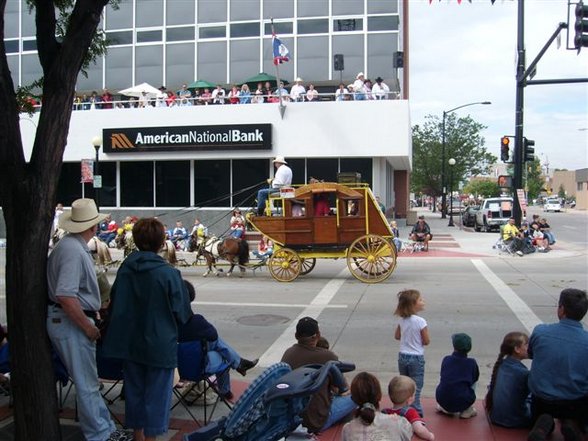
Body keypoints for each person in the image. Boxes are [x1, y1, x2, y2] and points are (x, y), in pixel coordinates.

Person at [102, 217, 193, 441]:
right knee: (156, 397)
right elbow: (182, 313)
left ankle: (138, 437)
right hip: (159, 346)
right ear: (162, 242)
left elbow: (114, 304)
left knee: (134, 394)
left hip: (130, 344)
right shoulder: (169, 274)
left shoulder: (125, 270)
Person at [47, 198, 130, 441]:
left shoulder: (71, 246)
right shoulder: (73, 251)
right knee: (86, 384)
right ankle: (100, 435)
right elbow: (65, 294)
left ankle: (106, 430)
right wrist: (86, 326)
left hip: (70, 319)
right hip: (71, 321)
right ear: (93, 227)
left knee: (89, 383)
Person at [178, 280, 258, 400]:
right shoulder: (197, 321)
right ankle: (227, 387)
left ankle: (239, 363)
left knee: (216, 348)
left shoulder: (167, 324)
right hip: (199, 369)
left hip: (177, 369)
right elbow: (213, 336)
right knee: (225, 357)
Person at [526, 288, 588, 441]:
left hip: (542, 399)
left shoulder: (540, 331)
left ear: (561, 309)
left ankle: (544, 425)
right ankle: (571, 422)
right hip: (574, 401)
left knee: (539, 402)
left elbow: (531, 354)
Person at [281, 317, 356, 433]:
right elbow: (340, 388)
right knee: (358, 394)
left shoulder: (287, 354)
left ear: (296, 335)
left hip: (291, 420)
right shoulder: (328, 357)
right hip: (316, 422)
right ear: (318, 335)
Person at [342, 372, 413, 441]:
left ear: (354, 399)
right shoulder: (399, 423)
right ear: (379, 395)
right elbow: (409, 434)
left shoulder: (347, 429)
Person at [394, 289, 430, 416]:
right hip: (416, 358)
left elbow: (397, 336)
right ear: (413, 304)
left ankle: (403, 409)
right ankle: (416, 413)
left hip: (402, 356)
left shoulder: (401, 320)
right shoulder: (421, 321)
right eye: (420, 300)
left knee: (404, 385)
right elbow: (426, 341)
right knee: (416, 386)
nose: (423, 301)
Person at [485, 332, 532, 428]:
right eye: (526, 345)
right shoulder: (523, 372)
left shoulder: (501, 365)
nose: (529, 347)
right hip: (516, 420)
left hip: (495, 418)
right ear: (517, 349)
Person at [435, 333, 479, 419]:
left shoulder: (446, 359)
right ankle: (467, 409)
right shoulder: (472, 363)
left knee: (444, 380)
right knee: (472, 381)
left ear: (454, 346)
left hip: (442, 399)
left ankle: (445, 408)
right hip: (463, 400)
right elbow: (475, 378)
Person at [383, 375, 435, 440]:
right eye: (413, 395)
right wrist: (430, 436)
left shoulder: (385, 413)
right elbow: (419, 429)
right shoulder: (410, 412)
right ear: (409, 400)